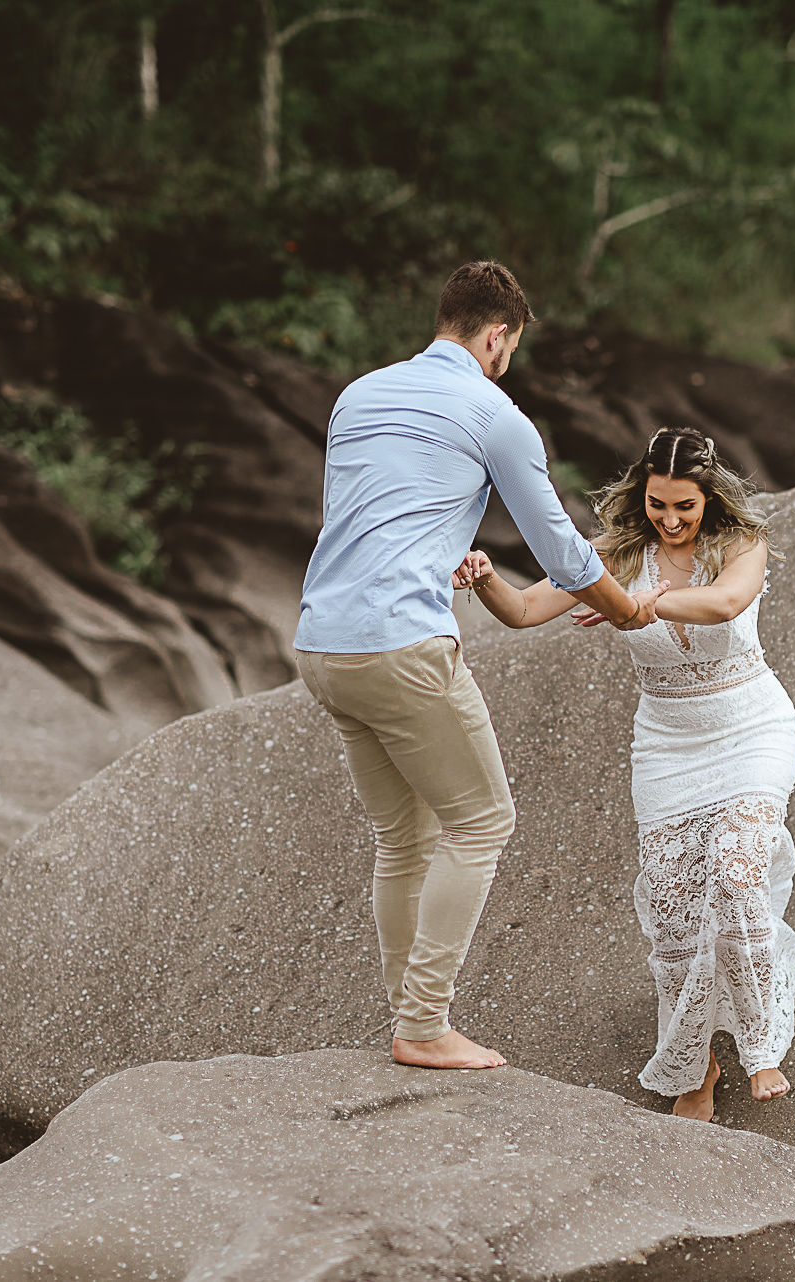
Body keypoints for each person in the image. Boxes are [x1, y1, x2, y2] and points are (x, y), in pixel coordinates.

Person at [295, 261, 671, 1071]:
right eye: (510, 348)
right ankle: (425, 1025)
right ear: (496, 336)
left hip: (322, 642)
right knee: (482, 822)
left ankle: (409, 1022)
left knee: (404, 836)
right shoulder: (494, 414)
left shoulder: (357, 394)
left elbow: (363, 515)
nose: (508, 363)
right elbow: (562, 550)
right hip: (401, 645)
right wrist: (628, 607)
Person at [455, 426, 795, 1118]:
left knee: (739, 868)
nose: (672, 520)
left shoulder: (741, 544)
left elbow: (724, 603)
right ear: (641, 495)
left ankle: (759, 1043)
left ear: (710, 497)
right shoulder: (613, 556)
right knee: (676, 907)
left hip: (751, 729)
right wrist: (486, 579)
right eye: (659, 505)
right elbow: (527, 611)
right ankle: (696, 1066)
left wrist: (640, 604)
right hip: (668, 748)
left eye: (686, 506)